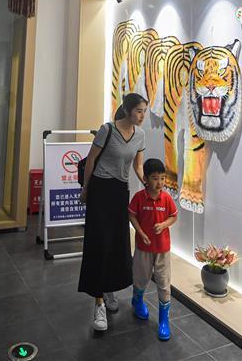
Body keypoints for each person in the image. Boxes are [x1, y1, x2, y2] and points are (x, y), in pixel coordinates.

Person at [78, 93, 148, 332]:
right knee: (99, 243)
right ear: (127, 110)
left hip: (120, 191)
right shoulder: (107, 130)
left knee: (117, 243)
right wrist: (86, 189)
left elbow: (138, 165)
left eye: (144, 111)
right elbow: (91, 161)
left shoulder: (140, 135)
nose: (142, 116)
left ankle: (108, 288)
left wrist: (148, 184)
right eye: (138, 111)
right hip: (100, 190)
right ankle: (98, 302)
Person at [128, 158, 178, 340]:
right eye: (155, 178)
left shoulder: (167, 198)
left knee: (164, 283)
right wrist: (140, 232)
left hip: (163, 249)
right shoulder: (139, 197)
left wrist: (164, 225)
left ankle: (164, 321)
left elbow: (173, 216)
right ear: (145, 179)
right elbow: (131, 215)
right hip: (143, 248)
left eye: (163, 178)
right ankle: (137, 301)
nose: (160, 183)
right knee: (140, 278)